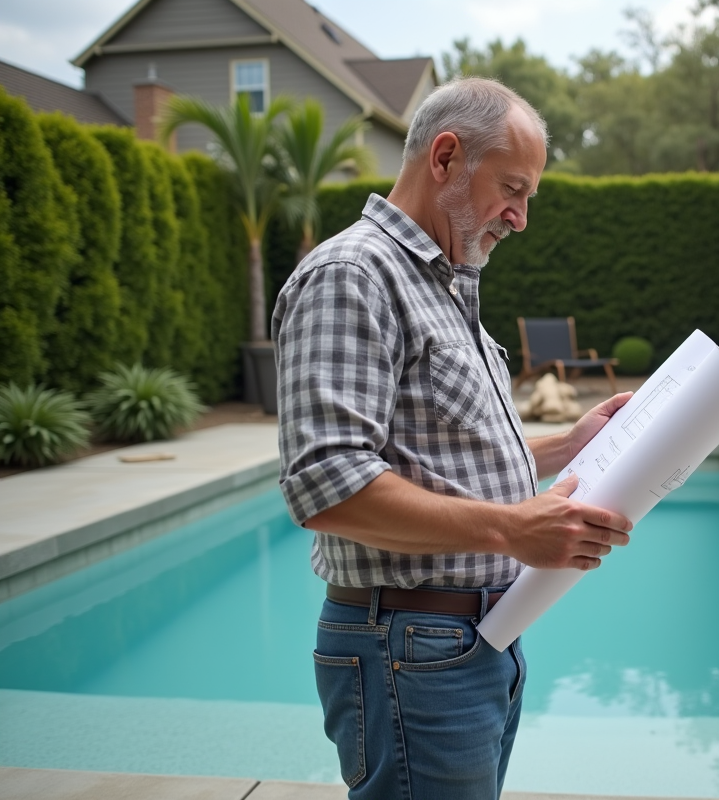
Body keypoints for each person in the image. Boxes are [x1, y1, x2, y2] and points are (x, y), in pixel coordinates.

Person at [271, 77, 634, 800]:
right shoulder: (354, 276)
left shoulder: (441, 283)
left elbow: (433, 455)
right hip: (407, 648)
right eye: (514, 188)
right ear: (445, 158)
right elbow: (327, 482)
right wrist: (510, 530)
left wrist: (565, 446)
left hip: (464, 644)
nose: (521, 217)